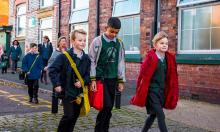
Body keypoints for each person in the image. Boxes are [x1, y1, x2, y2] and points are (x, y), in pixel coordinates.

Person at [130, 31, 179, 132]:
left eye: (166, 43)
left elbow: (172, 77)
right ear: (155, 45)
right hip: (151, 92)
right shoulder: (150, 58)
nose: (165, 45)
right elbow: (143, 76)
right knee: (161, 115)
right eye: (162, 43)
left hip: (161, 92)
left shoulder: (169, 59)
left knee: (153, 115)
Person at [49, 29, 91, 132]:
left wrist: (83, 82)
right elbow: (52, 70)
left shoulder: (86, 59)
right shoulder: (64, 57)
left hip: (79, 94)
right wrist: (57, 84)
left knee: (75, 116)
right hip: (67, 92)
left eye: (84, 40)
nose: (83, 43)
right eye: (80, 40)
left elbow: (88, 75)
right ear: (72, 41)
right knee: (69, 115)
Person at [89, 17, 126, 132]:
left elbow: (121, 62)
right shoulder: (97, 41)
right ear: (106, 28)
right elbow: (92, 60)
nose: (114, 34)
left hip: (113, 79)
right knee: (105, 106)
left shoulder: (119, 43)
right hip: (101, 79)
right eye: (112, 31)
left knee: (109, 108)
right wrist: (93, 79)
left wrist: (121, 80)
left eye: (116, 32)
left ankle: (104, 129)